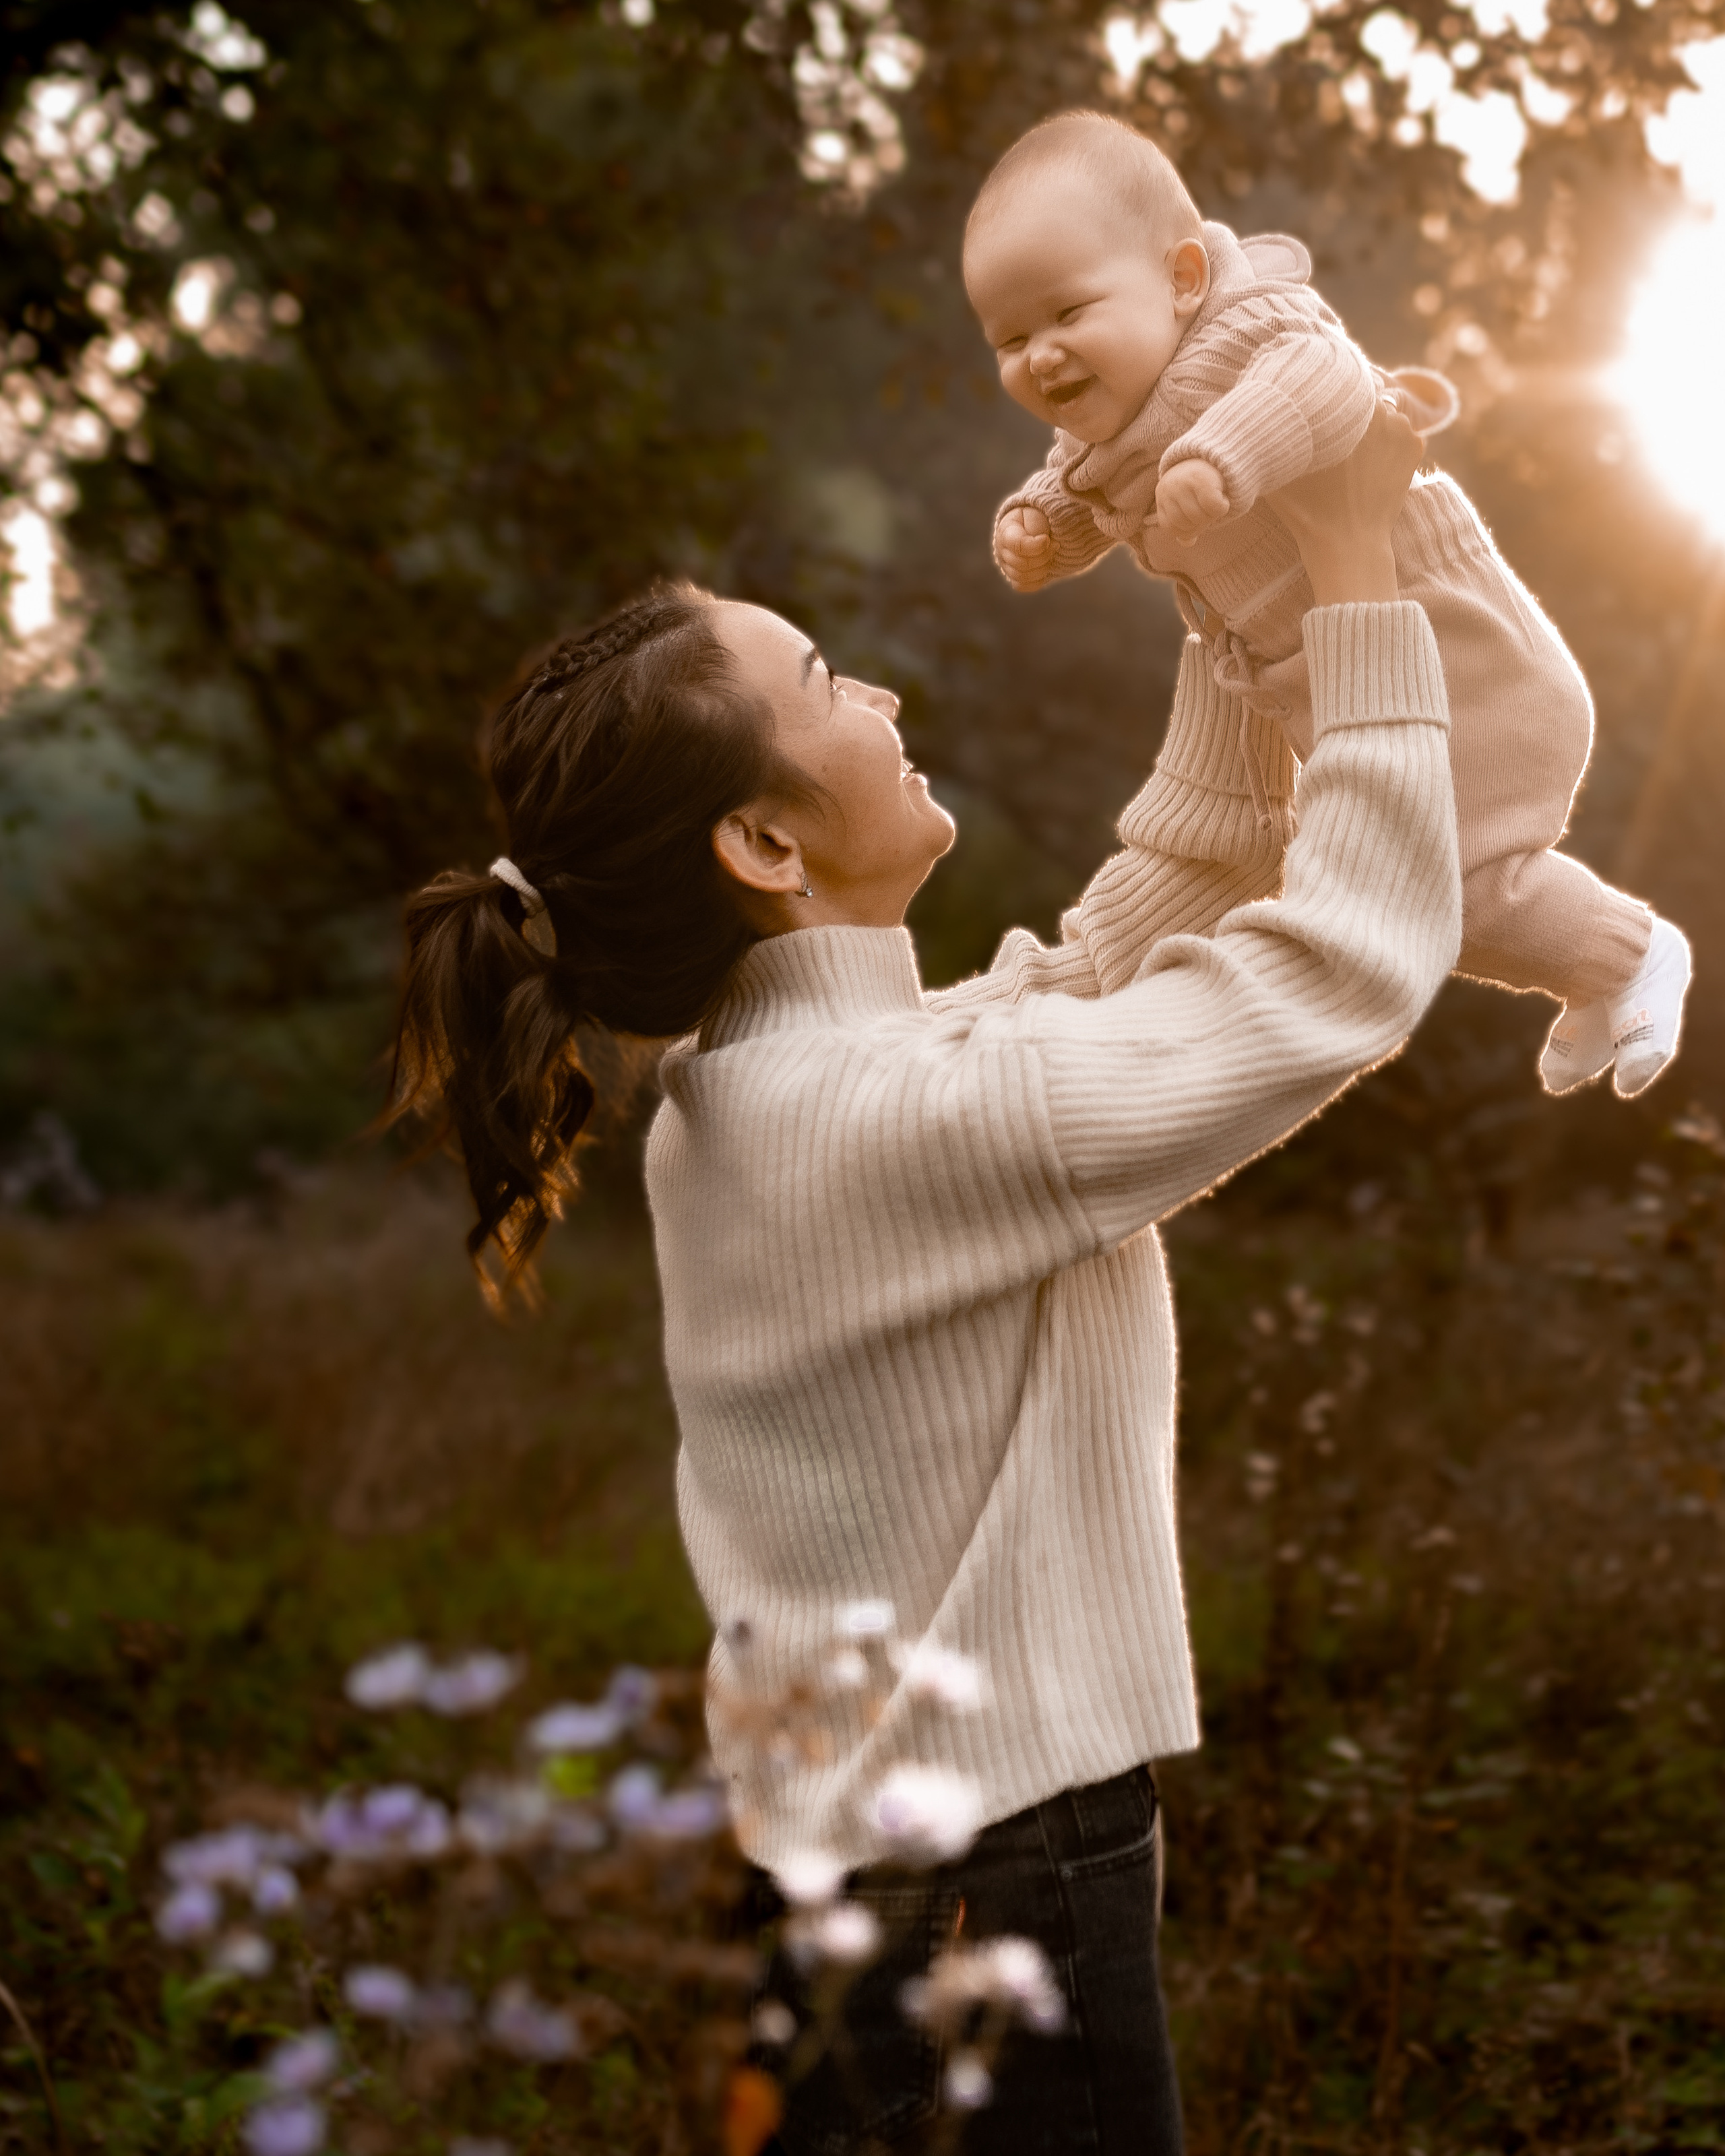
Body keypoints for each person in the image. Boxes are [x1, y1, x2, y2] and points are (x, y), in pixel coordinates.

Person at [389, 404, 1457, 2151]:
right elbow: (1346, 970)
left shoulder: (761, 1096)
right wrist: (1353, 576)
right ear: (767, 844)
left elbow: (1121, 949)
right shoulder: (893, 1122)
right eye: (827, 682)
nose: (881, 697)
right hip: (995, 1874)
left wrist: (1224, 615)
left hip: (870, 1870)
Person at [966, 108, 1691, 1101]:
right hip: (1346, 673)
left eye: (1066, 313)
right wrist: (1040, 531)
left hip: (1451, 649)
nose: (1040, 357)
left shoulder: (1246, 329)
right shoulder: (1106, 431)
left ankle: (1634, 954)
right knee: (1432, 893)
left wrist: (1228, 455)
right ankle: (1591, 979)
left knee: (1436, 892)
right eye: (1010, 338)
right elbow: (1083, 493)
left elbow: (1328, 382)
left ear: (1182, 280)